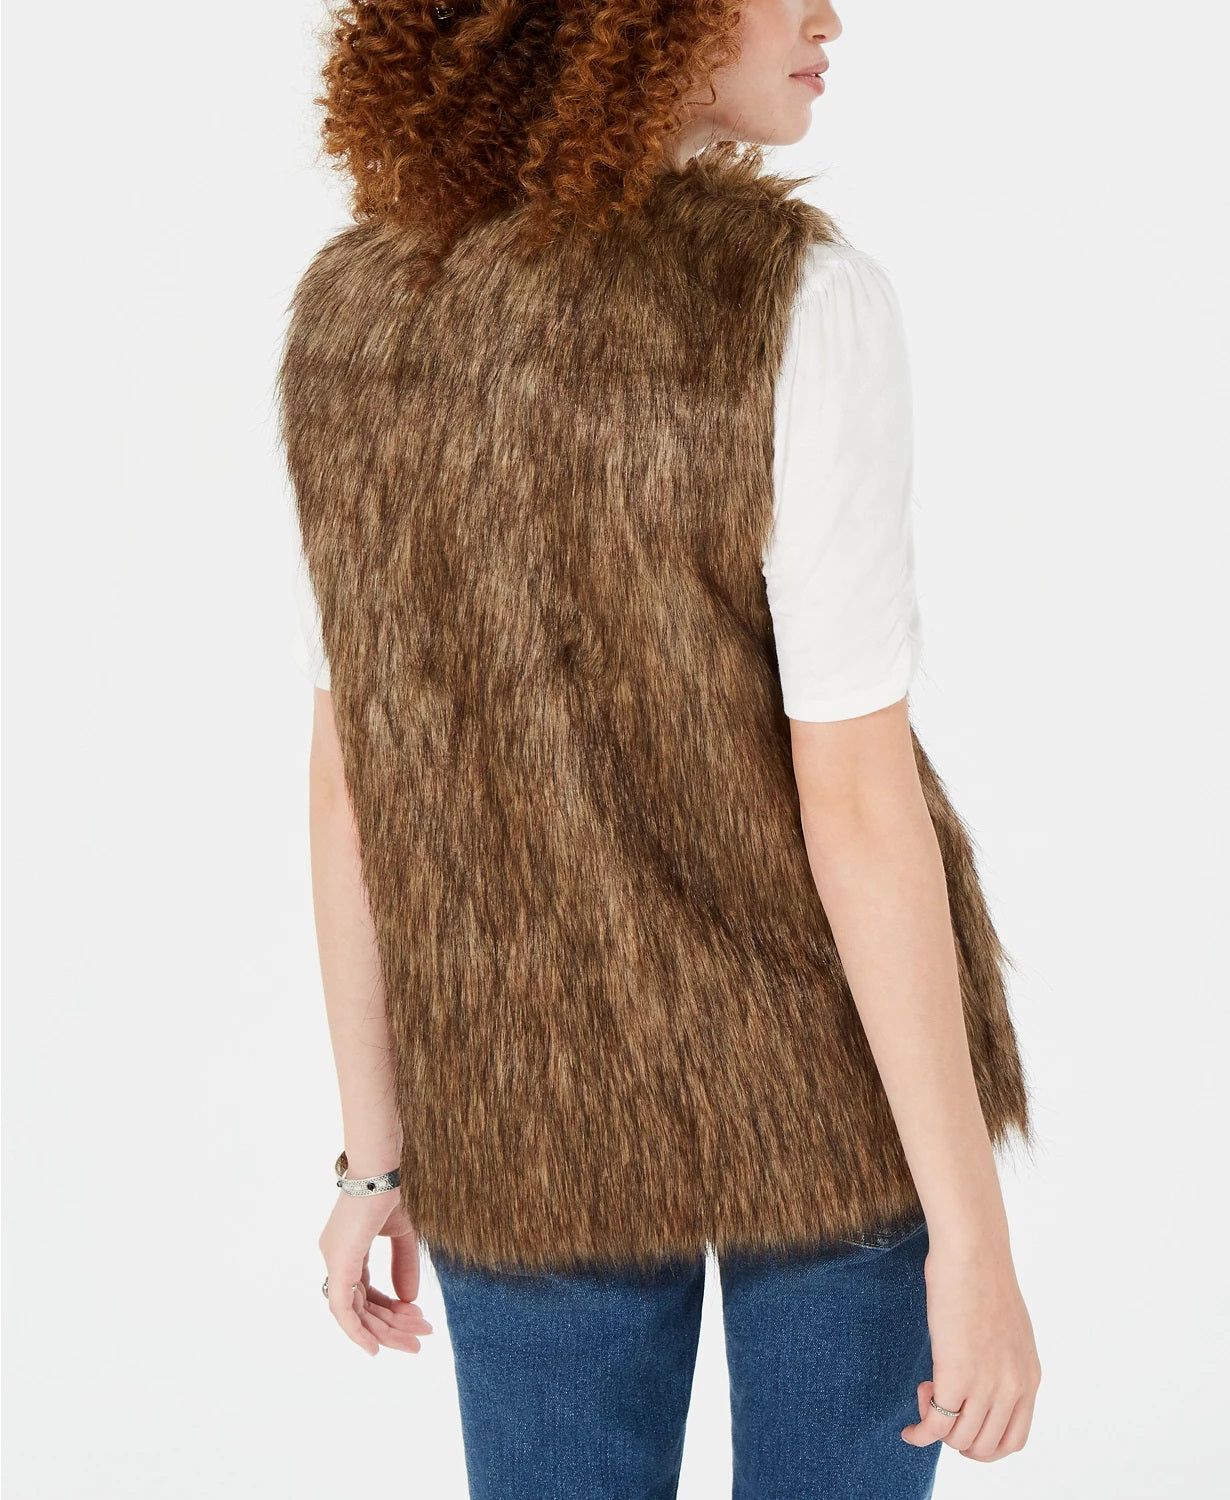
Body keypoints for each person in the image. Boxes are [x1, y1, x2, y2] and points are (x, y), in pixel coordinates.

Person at [279, 1, 1042, 1495]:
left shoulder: (358, 314)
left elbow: (354, 773)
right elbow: (854, 798)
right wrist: (972, 1235)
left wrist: (376, 1151)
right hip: (826, 1091)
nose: (827, 17)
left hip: (521, 1085)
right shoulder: (795, 300)